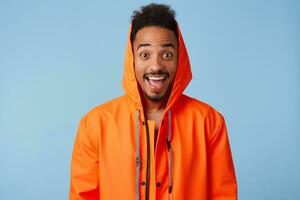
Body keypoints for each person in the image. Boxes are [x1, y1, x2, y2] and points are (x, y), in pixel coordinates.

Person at [69, 3, 237, 200]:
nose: (156, 66)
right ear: (132, 59)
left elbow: (223, 196)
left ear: (179, 58)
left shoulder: (209, 123)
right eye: (144, 55)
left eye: (167, 54)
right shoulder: (95, 125)